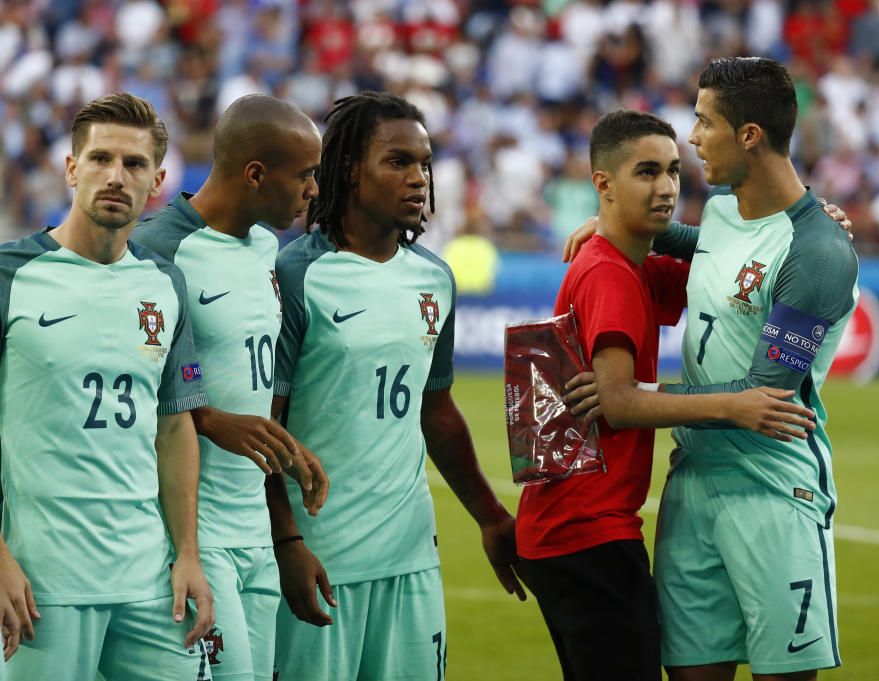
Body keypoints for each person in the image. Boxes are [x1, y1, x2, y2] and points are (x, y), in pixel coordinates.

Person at [515, 109, 819, 681]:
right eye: (647, 172)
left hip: (569, 527)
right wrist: (736, 405)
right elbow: (621, 401)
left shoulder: (630, 267)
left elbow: (739, 269)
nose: (666, 189)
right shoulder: (609, 274)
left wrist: (812, 224)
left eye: (675, 172)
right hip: (588, 530)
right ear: (603, 184)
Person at [265, 91, 524, 681]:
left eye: (425, 163)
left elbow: (437, 411)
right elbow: (265, 427)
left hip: (410, 555)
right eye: (399, 162)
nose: (419, 179)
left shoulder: (434, 278)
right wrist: (286, 543)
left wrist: (490, 516)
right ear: (350, 170)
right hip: (321, 556)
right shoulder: (295, 276)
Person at [648, 58, 857, 681]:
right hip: (692, 484)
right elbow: (705, 245)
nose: (692, 136)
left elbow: (765, 395)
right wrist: (621, 229)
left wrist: (634, 400)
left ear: (749, 135)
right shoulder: (719, 212)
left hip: (773, 491)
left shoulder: (817, 253)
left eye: (703, 122)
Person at [0, 92, 214, 680]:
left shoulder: (164, 283)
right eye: (100, 159)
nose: (116, 176)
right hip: (41, 586)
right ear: (72, 168)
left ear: (159, 181)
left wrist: (188, 554)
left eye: (135, 164)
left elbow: (174, 428)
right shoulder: (10, 275)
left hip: (149, 582)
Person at [131, 94, 330, 681]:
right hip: (192, 534)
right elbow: (133, 388)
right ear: (255, 174)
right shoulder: (160, 250)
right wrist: (212, 420)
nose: (312, 190)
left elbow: (247, 377)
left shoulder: (268, 247)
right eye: (305, 175)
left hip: (255, 535)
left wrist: (281, 448)